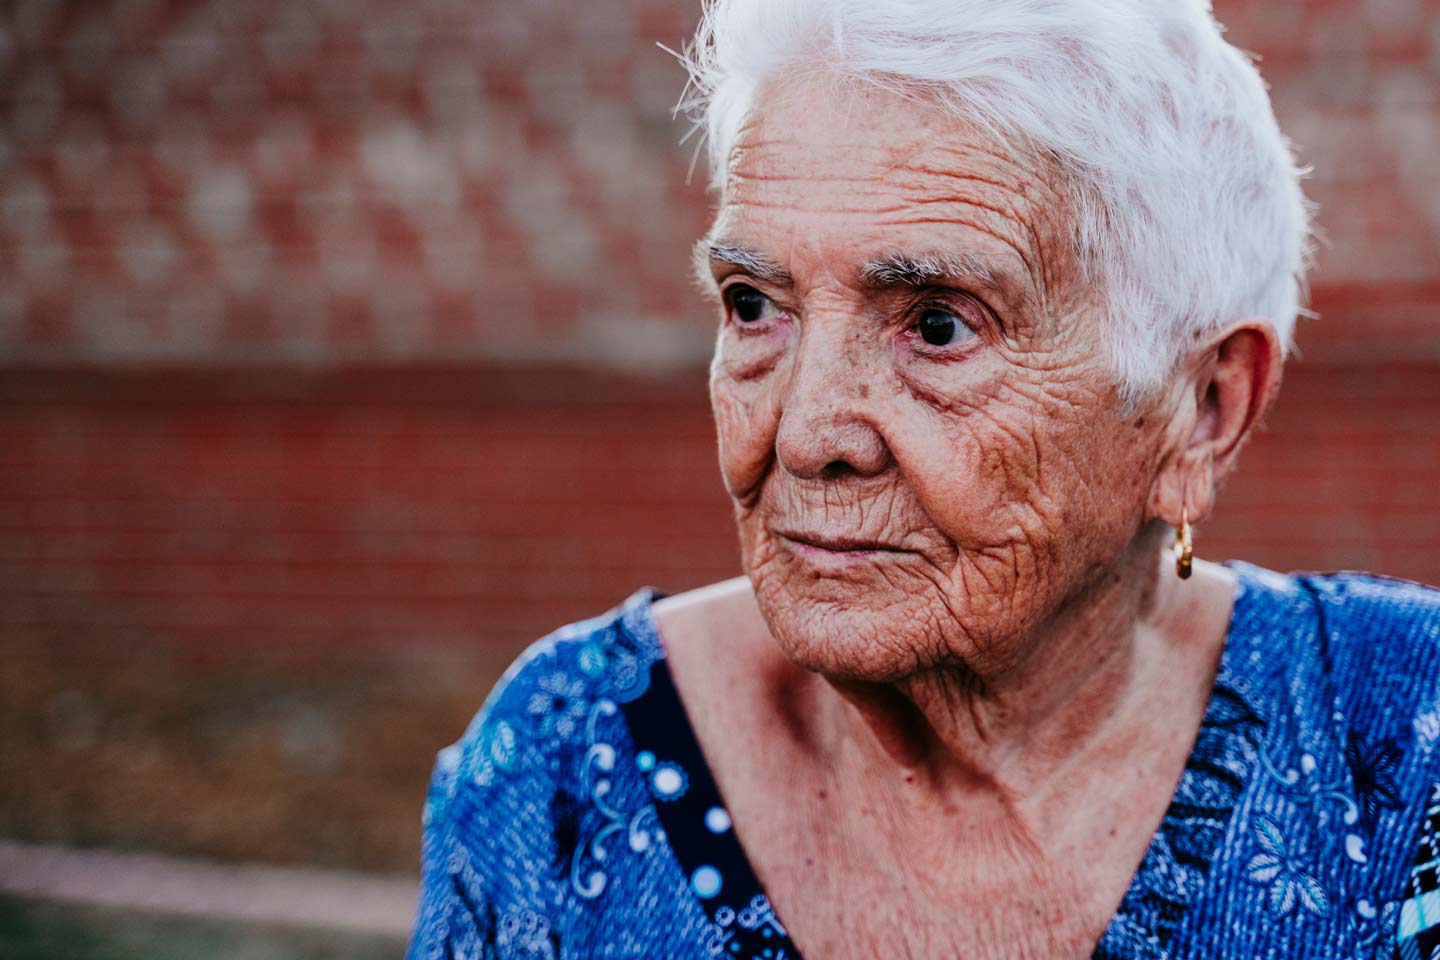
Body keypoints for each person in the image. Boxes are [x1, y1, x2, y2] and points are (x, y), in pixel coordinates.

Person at [406, 0, 1440, 956]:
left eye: (939, 327)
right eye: (755, 305)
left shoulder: (1405, 754)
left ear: (1202, 411)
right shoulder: (563, 771)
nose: (808, 434)